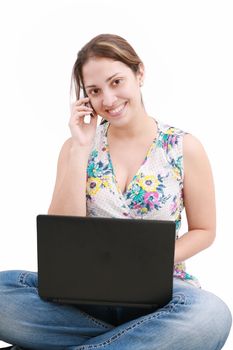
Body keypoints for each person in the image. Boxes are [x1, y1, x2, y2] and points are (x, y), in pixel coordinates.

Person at [0, 33, 232, 350]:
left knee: (210, 315)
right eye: (95, 91)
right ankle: (141, 340)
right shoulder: (75, 148)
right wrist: (80, 149)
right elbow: (63, 232)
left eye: (116, 82)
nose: (108, 100)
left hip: (161, 295)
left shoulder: (183, 147)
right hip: (85, 294)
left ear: (139, 74)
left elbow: (205, 230)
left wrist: (148, 263)